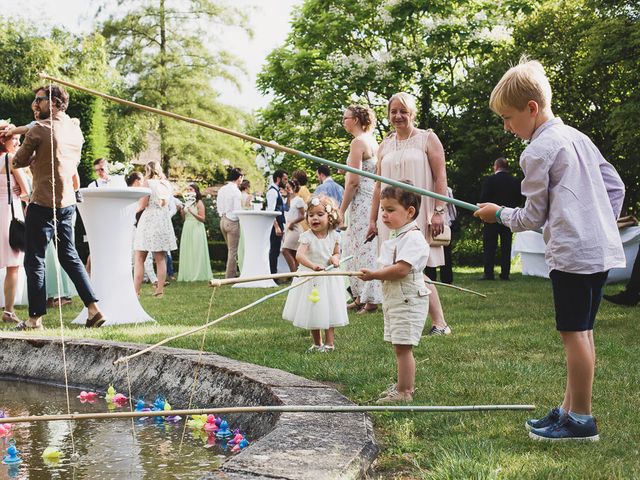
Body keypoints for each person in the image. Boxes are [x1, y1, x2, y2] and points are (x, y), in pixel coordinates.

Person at [474, 59, 625, 442]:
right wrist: (599, 225)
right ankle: (567, 411)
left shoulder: (538, 151)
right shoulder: (578, 137)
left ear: (531, 108)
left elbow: (531, 215)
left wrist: (498, 214)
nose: (507, 127)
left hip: (573, 254)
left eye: (508, 118)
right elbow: (616, 188)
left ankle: (582, 421)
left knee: (574, 334)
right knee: (583, 331)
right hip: (598, 251)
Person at [11, 84, 105, 329]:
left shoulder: (39, 130)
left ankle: (34, 319)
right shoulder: (75, 130)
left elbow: (18, 161)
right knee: (70, 256)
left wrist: (30, 157)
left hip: (42, 202)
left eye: (39, 99)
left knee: (35, 261)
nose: (35, 104)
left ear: (52, 103)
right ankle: (94, 309)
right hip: (67, 204)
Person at [368, 92, 451, 336]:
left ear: (412, 113)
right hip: (390, 217)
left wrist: (438, 210)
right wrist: (372, 220)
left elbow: (440, 176)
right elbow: (377, 186)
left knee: (416, 269)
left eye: (403, 111)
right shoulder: (384, 144)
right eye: (393, 111)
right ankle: (401, 319)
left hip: (419, 212)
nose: (398, 116)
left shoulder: (428, 139)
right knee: (396, 267)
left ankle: (440, 322)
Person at [360, 184, 430, 403]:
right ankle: (401, 385)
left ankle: (405, 392)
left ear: (410, 212)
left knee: (403, 346)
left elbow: (401, 269)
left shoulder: (413, 238)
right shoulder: (399, 235)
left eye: (390, 210)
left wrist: (374, 275)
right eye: (382, 209)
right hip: (396, 298)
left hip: (407, 298)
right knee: (398, 344)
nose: (384, 214)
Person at [282, 195, 348, 352]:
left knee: (330, 308)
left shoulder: (334, 236)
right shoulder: (307, 237)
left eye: (319, 214)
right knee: (313, 309)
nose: (314, 218)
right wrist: (313, 266)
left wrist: (335, 258)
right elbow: (299, 256)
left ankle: (330, 343)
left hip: (329, 279)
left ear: (330, 217)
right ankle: (317, 343)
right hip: (311, 278)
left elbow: (337, 253)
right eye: (311, 215)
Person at [339, 104, 382, 313]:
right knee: (362, 247)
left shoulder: (357, 142)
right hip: (371, 199)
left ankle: (371, 299)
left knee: (361, 248)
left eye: (345, 118)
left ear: (355, 119)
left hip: (360, 201)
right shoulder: (374, 141)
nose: (343, 122)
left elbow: (354, 181)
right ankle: (359, 296)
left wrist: (340, 210)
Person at [133, 161, 177, 298]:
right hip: (163, 220)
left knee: (140, 257)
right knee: (160, 258)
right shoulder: (166, 184)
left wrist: (131, 211)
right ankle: (159, 291)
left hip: (149, 219)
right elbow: (167, 203)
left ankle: (136, 292)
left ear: (148, 169)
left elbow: (143, 204)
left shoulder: (148, 183)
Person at [0, 124, 29, 324]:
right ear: (3, 140)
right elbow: (27, 190)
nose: (18, 141)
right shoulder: (10, 159)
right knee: (13, 265)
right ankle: (9, 311)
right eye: (14, 138)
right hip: (9, 212)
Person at [478, 157, 522, 280]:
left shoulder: (490, 180)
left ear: (496, 166)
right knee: (506, 246)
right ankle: (505, 273)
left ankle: (488, 273)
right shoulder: (515, 181)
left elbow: (483, 198)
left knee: (489, 246)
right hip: (508, 216)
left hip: (491, 217)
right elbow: (518, 200)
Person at [178, 183, 212, 282]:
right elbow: (184, 218)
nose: (189, 191)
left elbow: (202, 219)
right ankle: (188, 274)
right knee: (188, 250)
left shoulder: (199, 202)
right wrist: (182, 212)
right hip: (187, 227)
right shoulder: (186, 202)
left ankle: (198, 274)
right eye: (188, 190)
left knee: (196, 250)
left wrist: (192, 212)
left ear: (196, 191)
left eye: (191, 189)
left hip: (197, 227)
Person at [425, 187, 457, 284]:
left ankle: (443, 278)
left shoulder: (447, 190)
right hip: (432, 223)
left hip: (443, 223)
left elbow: (451, 207)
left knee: (445, 251)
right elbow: (452, 209)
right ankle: (434, 278)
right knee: (430, 251)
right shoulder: (429, 187)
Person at [216, 167, 244, 278]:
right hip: (232, 221)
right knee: (232, 251)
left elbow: (219, 205)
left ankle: (231, 273)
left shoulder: (222, 189)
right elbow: (238, 210)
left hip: (223, 220)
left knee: (230, 250)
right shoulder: (236, 191)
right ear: (239, 177)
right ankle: (230, 276)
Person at [266, 169, 288, 274]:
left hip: (279, 224)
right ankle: (272, 275)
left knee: (276, 250)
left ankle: (274, 273)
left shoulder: (277, 191)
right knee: (274, 250)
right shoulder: (272, 192)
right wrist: (276, 227)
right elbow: (271, 211)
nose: (286, 182)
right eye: (285, 179)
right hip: (275, 225)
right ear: (278, 178)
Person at [281, 179, 306, 272]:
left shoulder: (299, 200)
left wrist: (293, 222)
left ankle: (293, 274)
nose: (286, 189)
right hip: (288, 227)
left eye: (288, 187)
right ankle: (298, 274)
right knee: (293, 252)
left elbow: (303, 215)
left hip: (295, 228)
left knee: (285, 250)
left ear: (293, 188)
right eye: (286, 187)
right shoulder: (287, 200)